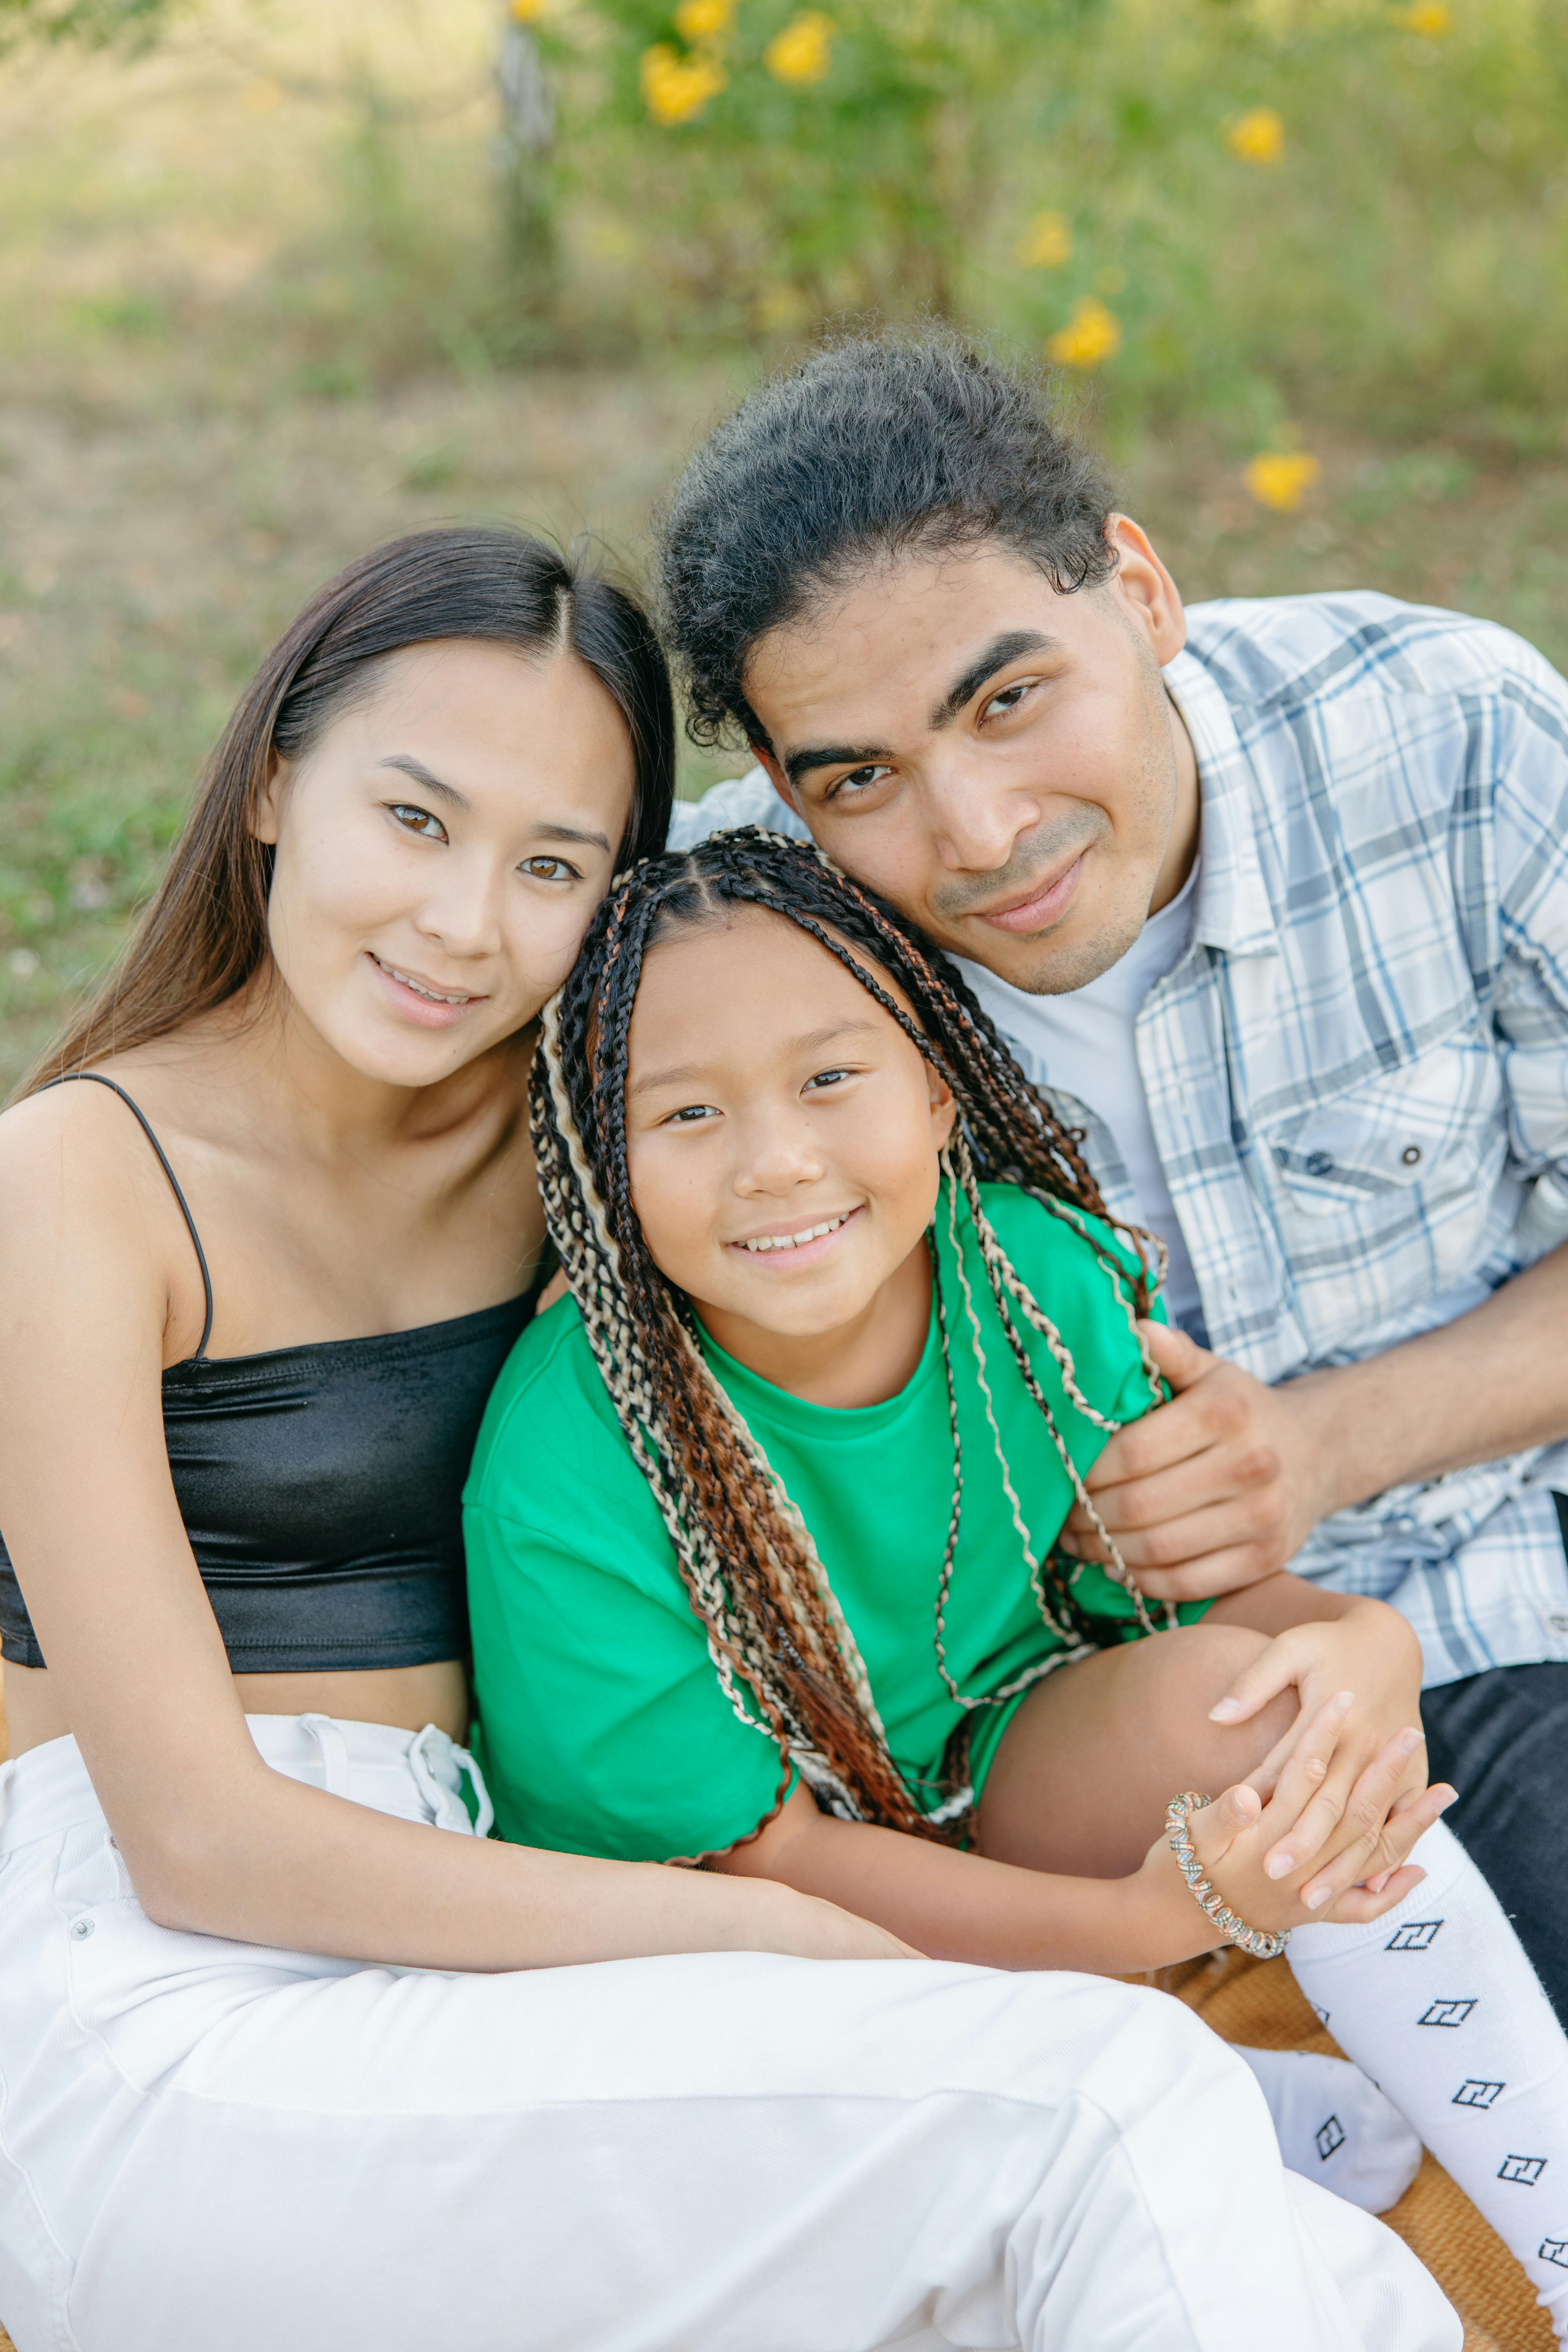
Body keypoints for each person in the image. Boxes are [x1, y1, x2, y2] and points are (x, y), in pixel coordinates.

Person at [0, 527, 1456, 2352]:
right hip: (170, 1996)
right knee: (1104, 2101)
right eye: (415, 819)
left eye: (551, 865)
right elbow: (199, 1846)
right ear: (277, 782)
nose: (463, 923)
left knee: (1321, 2280)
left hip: (494, 1932)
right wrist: (766, 1932)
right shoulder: (79, 1176)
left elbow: (828, 1084)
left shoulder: (601, 1139)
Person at [464, 828, 1568, 2337]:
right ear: (600, 1154)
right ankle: (1215, 2094)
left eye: (829, 1078)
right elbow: (770, 1871)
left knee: (1286, 1718)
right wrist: (1146, 1920)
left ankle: (1554, 2226)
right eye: (688, 1112)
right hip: (734, 1937)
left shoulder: (1034, 1277)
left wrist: (1359, 1639)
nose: (774, 1159)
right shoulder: (566, 1464)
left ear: (935, 1089)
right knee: (808, 2093)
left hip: (990, 1771)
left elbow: (1170, 1609)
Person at [661, 329, 1568, 2013]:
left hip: (1487, 1585)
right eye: (860, 777)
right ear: (781, 790)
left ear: (1140, 593)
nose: (979, 832)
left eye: (1008, 701)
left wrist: (1326, 1443)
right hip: (1055, 1727)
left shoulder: (1451, 735)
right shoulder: (729, 947)